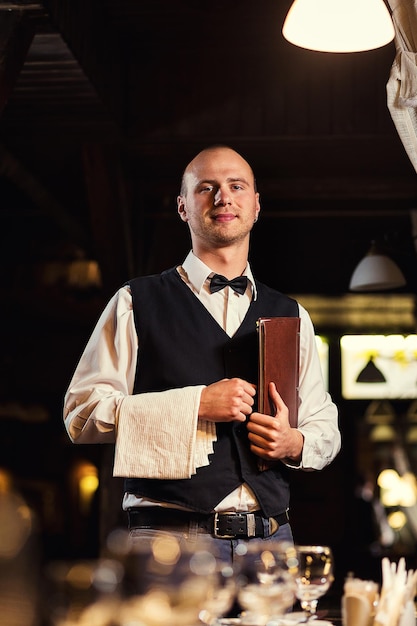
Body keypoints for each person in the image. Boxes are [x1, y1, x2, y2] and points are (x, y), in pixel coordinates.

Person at [63, 145, 341, 563]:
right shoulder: (134, 301)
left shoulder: (291, 313)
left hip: (271, 542)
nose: (222, 197)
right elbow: (80, 415)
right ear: (183, 207)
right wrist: (196, 405)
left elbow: (324, 425)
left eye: (236, 186)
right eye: (205, 188)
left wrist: (293, 442)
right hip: (169, 544)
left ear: (256, 205)